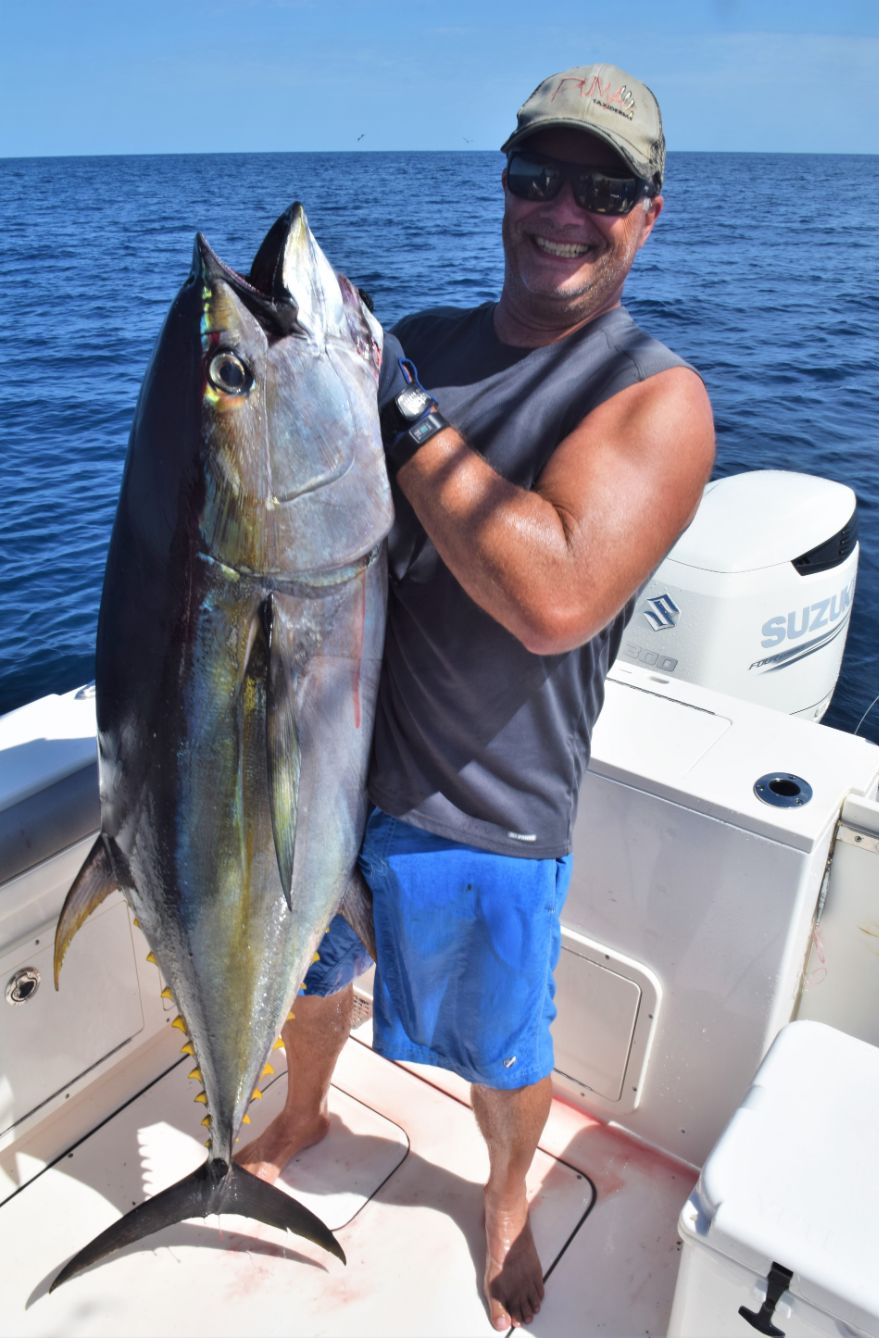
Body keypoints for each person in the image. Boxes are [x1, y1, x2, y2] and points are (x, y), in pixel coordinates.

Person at [238, 62, 715, 1330]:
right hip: (326, 770)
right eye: (537, 176)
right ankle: (302, 1108)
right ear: (502, 189)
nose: (563, 208)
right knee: (311, 975)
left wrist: (393, 404)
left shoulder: (653, 400)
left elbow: (555, 597)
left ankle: (505, 1194)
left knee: (503, 1051)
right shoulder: (423, 341)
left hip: (482, 806)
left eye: (601, 188)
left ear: (648, 215)